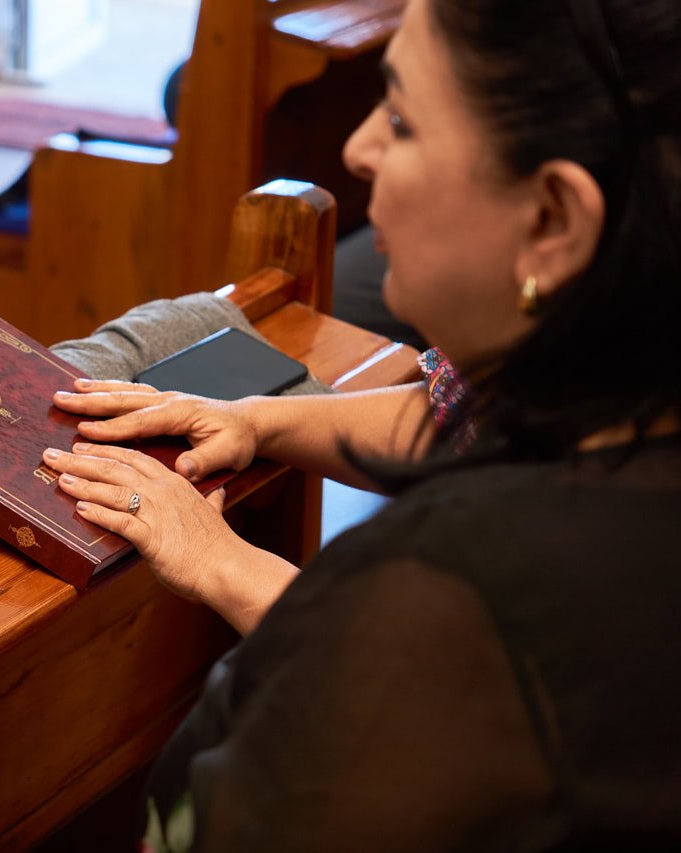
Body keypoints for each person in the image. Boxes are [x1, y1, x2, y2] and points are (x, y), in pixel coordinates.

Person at [42, 0, 681, 848]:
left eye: (403, 120)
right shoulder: (620, 392)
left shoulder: (448, 600)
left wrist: (225, 563)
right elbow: (455, 414)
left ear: (553, 219)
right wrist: (256, 418)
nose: (357, 148)